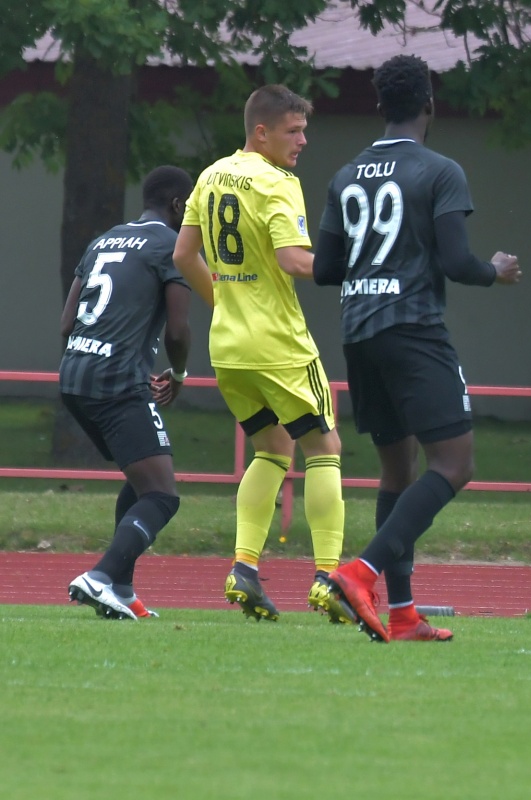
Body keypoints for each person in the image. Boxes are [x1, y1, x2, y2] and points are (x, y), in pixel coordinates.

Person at [310, 54, 521, 643]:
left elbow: (325, 269)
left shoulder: (346, 176)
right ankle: (360, 572)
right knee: (455, 465)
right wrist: (495, 270)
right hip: (413, 330)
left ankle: (402, 614)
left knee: (397, 472)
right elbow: (456, 261)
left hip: (359, 334)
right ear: (430, 103)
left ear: (380, 105)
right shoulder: (440, 171)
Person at [172, 85, 345, 622]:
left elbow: (184, 255)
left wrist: (224, 301)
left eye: (304, 130)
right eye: (294, 131)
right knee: (325, 447)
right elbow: (294, 261)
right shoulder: (278, 182)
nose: (303, 141)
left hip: (228, 346)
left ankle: (244, 568)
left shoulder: (211, 175)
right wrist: (356, 267)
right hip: (278, 344)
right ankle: (328, 579)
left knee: (271, 448)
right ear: (262, 132)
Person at [62, 166, 195, 620]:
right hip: (117, 381)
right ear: (178, 204)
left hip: (74, 376)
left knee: (140, 476)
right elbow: (177, 330)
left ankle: (120, 588)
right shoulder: (173, 246)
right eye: (191, 206)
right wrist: (179, 373)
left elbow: (66, 323)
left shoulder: (103, 240)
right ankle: (100, 576)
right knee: (162, 496)